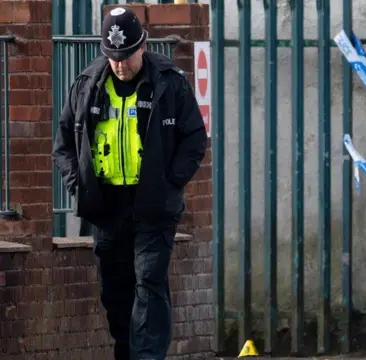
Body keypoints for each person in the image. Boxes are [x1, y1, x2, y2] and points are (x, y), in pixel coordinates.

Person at [52, 7, 207, 360]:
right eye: (113, 57)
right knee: (116, 290)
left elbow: (194, 138)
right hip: (107, 206)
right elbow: (65, 141)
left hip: (153, 204)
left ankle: (147, 356)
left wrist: (170, 182)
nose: (120, 64)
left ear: (143, 45)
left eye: (126, 56)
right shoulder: (88, 85)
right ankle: (128, 351)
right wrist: (79, 185)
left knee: (149, 281)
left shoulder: (169, 82)